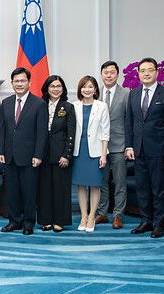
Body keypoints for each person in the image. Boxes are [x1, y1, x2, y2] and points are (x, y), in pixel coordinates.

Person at [125, 57, 164, 238]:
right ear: (138, 73)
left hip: (159, 150)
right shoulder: (133, 94)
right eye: (142, 71)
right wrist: (129, 146)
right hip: (138, 150)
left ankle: (158, 223)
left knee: (158, 189)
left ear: (157, 72)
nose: (146, 74)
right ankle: (145, 221)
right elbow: (129, 123)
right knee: (142, 188)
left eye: (150, 70)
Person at [0, 67, 48, 235]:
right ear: (12, 83)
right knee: (12, 191)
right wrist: (1, 151)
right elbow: (1, 129)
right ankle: (14, 221)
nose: (19, 84)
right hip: (10, 156)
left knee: (29, 191)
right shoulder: (7, 102)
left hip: (30, 156)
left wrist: (38, 155)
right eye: (16, 81)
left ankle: (28, 222)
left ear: (29, 82)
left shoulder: (39, 103)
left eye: (22, 81)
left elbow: (42, 133)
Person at [95, 61, 130, 229]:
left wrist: (129, 145)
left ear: (118, 74)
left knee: (119, 182)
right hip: (99, 146)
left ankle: (118, 215)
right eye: (105, 72)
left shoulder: (127, 94)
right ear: (101, 74)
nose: (108, 75)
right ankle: (102, 213)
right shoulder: (95, 93)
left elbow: (129, 122)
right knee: (101, 182)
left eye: (112, 72)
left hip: (118, 145)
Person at [72, 76, 110, 232]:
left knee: (95, 186)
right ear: (80, 89)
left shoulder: (102, 106)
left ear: (95, 89)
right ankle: (83, 216)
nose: (87, 90)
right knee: (80, 185)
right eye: (84, 87)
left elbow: (105, 132)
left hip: (95, 152)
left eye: (90, 87)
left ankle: (92, 216)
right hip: (78, 151)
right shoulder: (74, 106)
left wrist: (103, 155)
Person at [38, 75, 75, 232]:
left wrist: (66, 155)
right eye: (52, 86)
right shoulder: (40, 105)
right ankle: (45, 220)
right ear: (47, 88)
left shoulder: (68, 107)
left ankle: (60, 221)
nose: (55, 89)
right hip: (42, 155)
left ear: (63, 89)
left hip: (61, 156)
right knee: (44, 189)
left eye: (58, 86)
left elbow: (71, 133)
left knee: (61, 190)